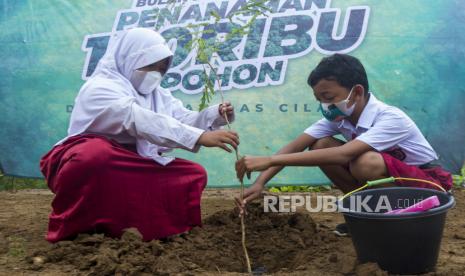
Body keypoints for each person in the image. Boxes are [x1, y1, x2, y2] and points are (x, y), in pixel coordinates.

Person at [40, 28, 239, 242]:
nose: (155, 73)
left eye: (161, 68)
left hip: (132, 164)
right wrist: (198, 137)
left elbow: (183, 119)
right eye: (150, 65)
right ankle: (74, 229)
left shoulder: (158, 95)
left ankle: (143, 230)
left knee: (191, 174)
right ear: (129, 58)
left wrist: (214, 115)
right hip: (91, 163)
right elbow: (136, 118)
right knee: (95, 155)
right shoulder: (100, 88)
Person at [235, 54, 453, 235]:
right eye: (319, 99)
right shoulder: (339, 119)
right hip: (392, 183)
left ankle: (400, 222)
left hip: (426, 187)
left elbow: (343, 155)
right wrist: (261, 182)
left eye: (328, 97)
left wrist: (270, 159)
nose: (325, 105)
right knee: (321, 145)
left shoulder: (391, 118)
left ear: (356, 92)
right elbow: (295, 146)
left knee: (364, 162)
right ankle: (369, 216)